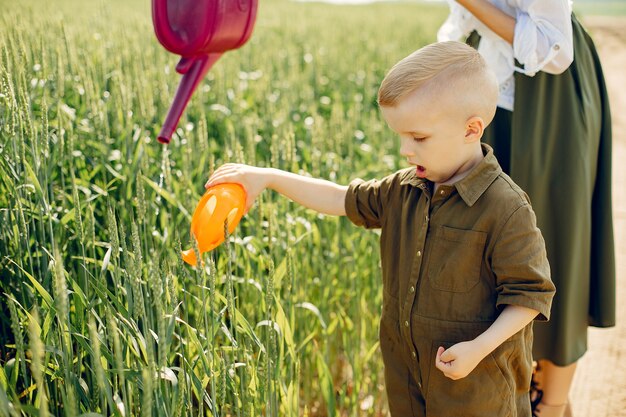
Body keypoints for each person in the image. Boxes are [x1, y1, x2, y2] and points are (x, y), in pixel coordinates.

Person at [205, 41, 556, 416]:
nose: (406, 149)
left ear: (471, 129)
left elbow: (529, 297)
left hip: (477, 391)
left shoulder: (505, 208)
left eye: (418, 138)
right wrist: (267, 177)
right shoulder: (402, 190)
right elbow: (341, 199)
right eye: (400, 136)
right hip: (408, 380)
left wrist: (479, 347)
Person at [437, 2, 616, 416]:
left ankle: (552, 404)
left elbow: (554, 49)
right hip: (488, 87)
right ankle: (523, 383)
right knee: (494, 245)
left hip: (548, 95)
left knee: (553, 236)